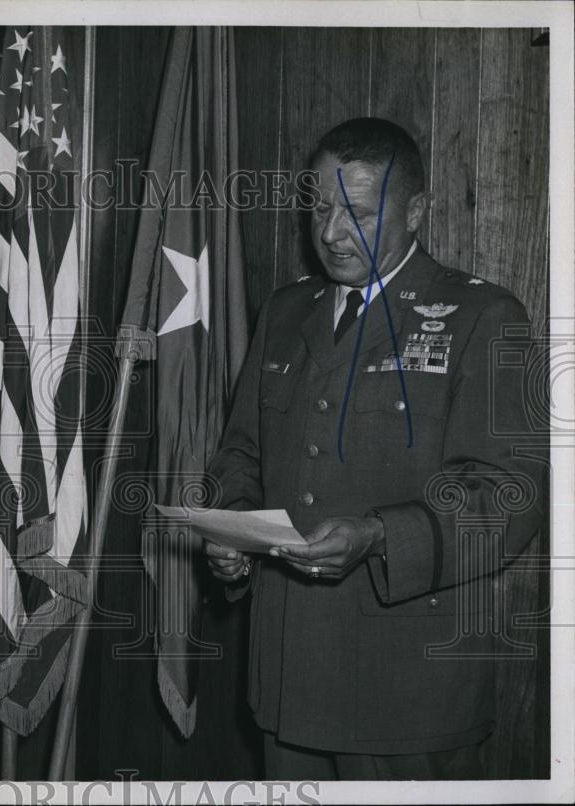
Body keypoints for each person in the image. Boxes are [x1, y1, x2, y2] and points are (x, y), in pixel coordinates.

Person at [204, 117, 544, 780]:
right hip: (287, 676)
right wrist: (233, 530)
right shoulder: (287, 311)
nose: (331, 234)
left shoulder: (482, 317)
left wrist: (379, 534)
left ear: (415, 211)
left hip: (404, 689)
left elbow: (510, 496)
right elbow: (243, 452)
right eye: (320, 209)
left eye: (356, 214)